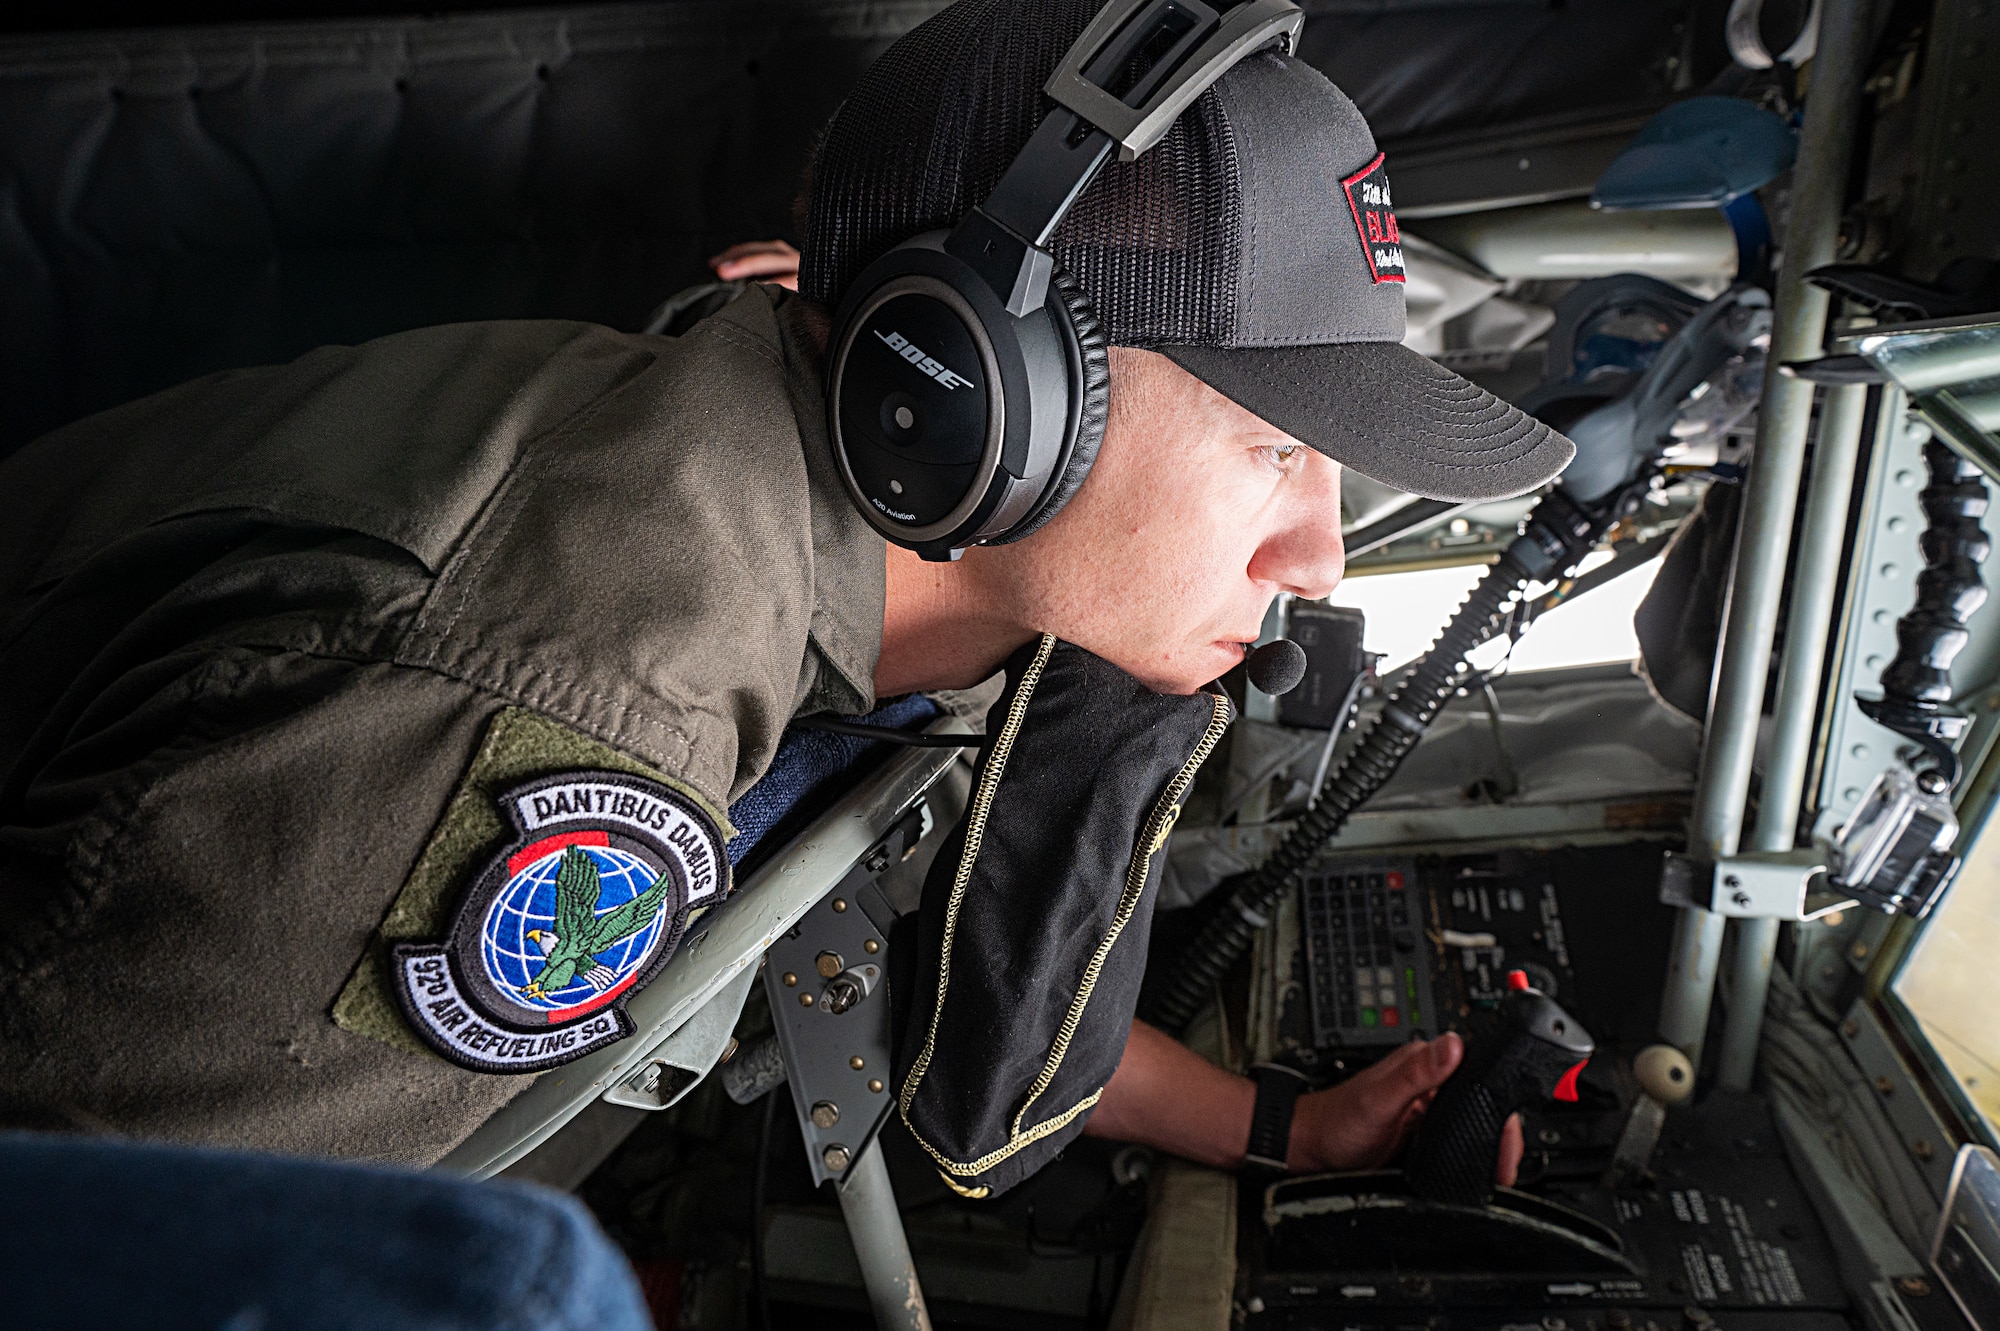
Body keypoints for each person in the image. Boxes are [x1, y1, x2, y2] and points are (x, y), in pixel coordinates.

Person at [0, 0, 1565, 1176]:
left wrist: (1282, 1129)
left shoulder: (878, 558)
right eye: (1276, 452)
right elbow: (121, 1254)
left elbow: (918, 943)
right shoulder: (565, 694)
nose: (1318, 564)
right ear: (975, 385)